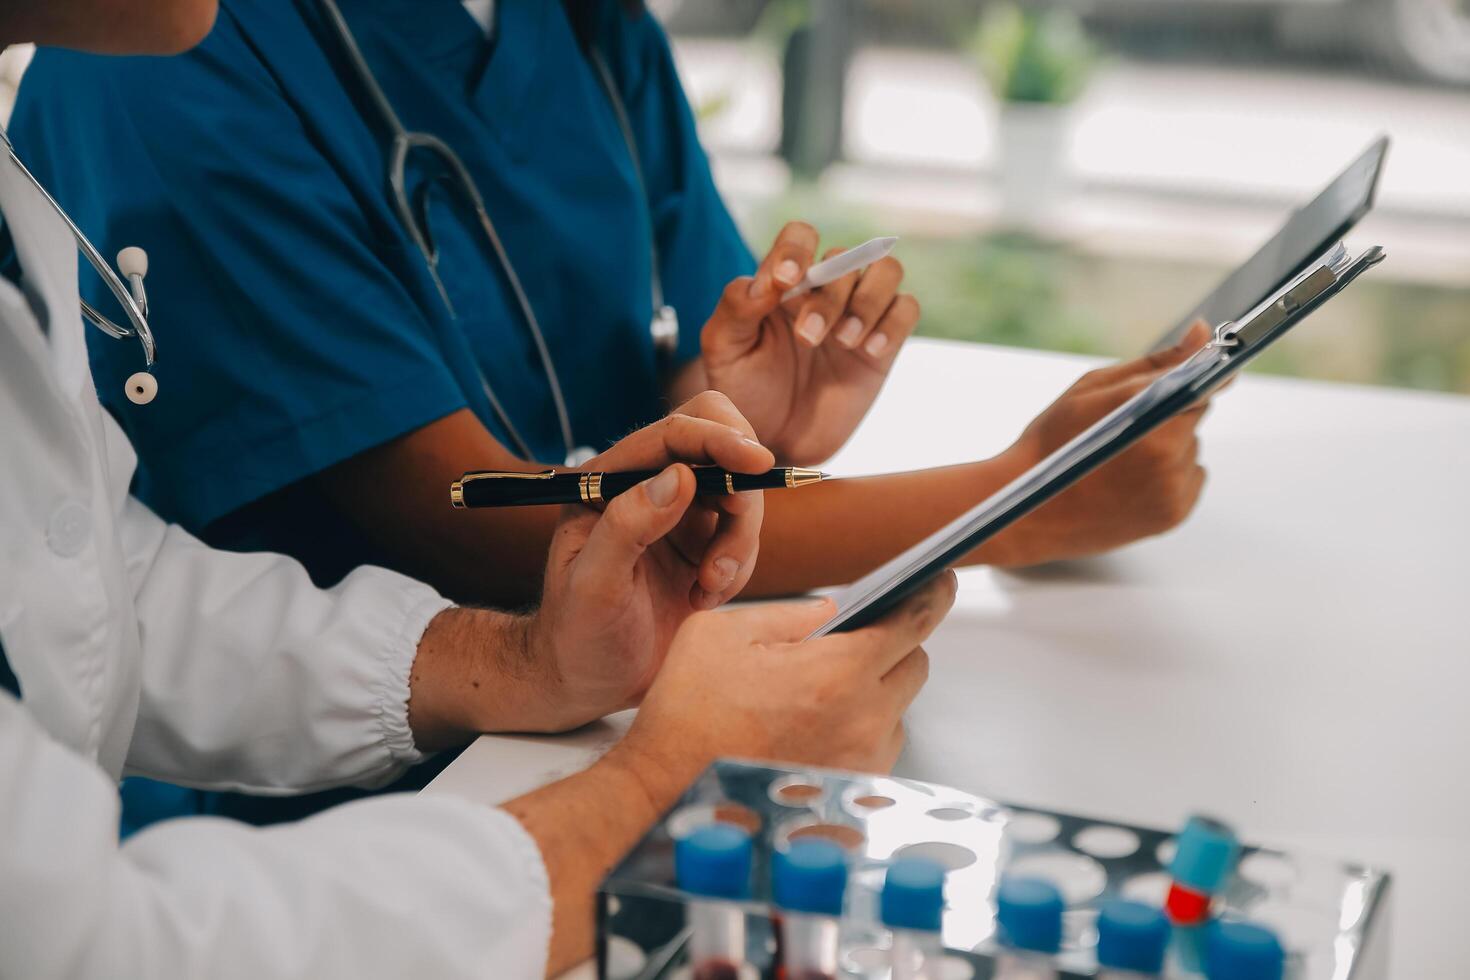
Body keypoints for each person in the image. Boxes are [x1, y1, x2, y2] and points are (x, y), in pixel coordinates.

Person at [0, 1, 957, 973]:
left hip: (499, 779)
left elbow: (95, 571)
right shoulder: (175, 60)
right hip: (318, 839)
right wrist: (652, 795)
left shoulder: (595, 26)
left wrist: (526, 659)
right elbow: (91, 944)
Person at [8, 0, 1211, 612]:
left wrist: (738, 417)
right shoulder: (168, 43)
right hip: (329, 798)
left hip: (599, 682)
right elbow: (473, 523)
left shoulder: (585, 20)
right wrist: (1015, 500)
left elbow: (676, 375)